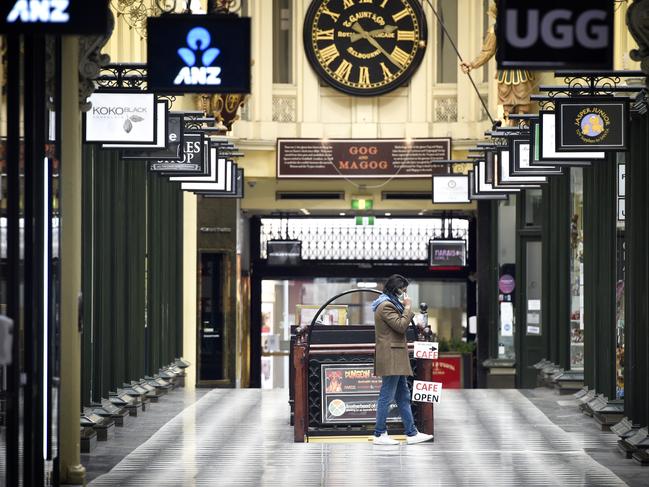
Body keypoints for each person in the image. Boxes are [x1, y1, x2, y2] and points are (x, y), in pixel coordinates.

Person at [371, 274, 433, 445]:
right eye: (403, 289)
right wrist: (408, 308)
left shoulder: (390, 303)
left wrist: (405, 308)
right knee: (386, 395)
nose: (405, 293)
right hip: (391, 356)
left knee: (403, 395)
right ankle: (379, 433)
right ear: (395, 289)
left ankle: (411, 433)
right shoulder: (385, 306)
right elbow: (400, 326)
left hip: (395, 355)